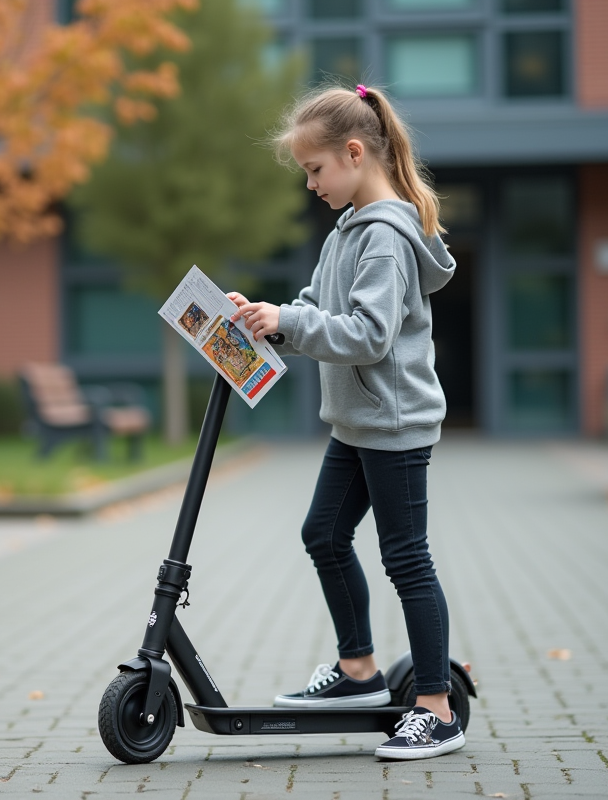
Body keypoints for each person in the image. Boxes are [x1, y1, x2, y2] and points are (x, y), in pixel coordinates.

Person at [227, 83, 462, 761]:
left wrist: (292, 321)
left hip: (393, 426)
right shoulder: (349, 229)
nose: (310, 184)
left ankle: (436, 708)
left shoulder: (385, 238)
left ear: (355, 153)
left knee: (406, 560)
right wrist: (267, 318)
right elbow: (316, 306)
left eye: (315, 169)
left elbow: (368, 334)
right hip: (358, 423)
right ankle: (358, 671)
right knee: (324, 534)